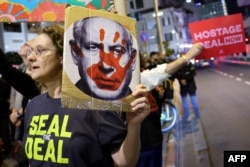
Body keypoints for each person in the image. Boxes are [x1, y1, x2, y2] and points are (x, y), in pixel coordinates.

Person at [21, 24, 150, 167]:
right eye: (31, 51)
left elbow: (125, 161)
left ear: (63, 56)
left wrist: (134, 125)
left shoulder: (93, 103)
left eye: (40, 51)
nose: (31, 57)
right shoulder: (34, 105)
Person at [69, 17, 137, 100]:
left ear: (132, 60)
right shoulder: (63, 110)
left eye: (118, 50)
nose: (105, 66)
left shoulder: (143, 107)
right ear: (75, 52)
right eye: (93, 47)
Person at [176, 52, 200, 120]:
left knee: (194, 101)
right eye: (181, 57)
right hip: (183, 87)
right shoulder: (178, 67)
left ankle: (197, 113)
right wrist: (181, 79)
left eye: (183, 57)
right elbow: (177, 75)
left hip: (191, 85)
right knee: (184, 101)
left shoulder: (190, 65)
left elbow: (193, 74)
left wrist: (185, 79)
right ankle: (186, 113)